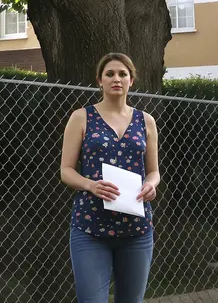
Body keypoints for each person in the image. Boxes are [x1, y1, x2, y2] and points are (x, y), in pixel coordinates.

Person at [59, 52, 160, 303]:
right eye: (110, 74)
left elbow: (153, 171)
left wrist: (151, 184)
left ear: (131, 81)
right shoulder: (81, 117)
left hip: (136, 230)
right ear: (100, 81)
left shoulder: (146, 121)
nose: (117, 78)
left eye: (123, 74)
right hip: (90, 226)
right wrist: (90, 185)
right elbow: (66, 171)